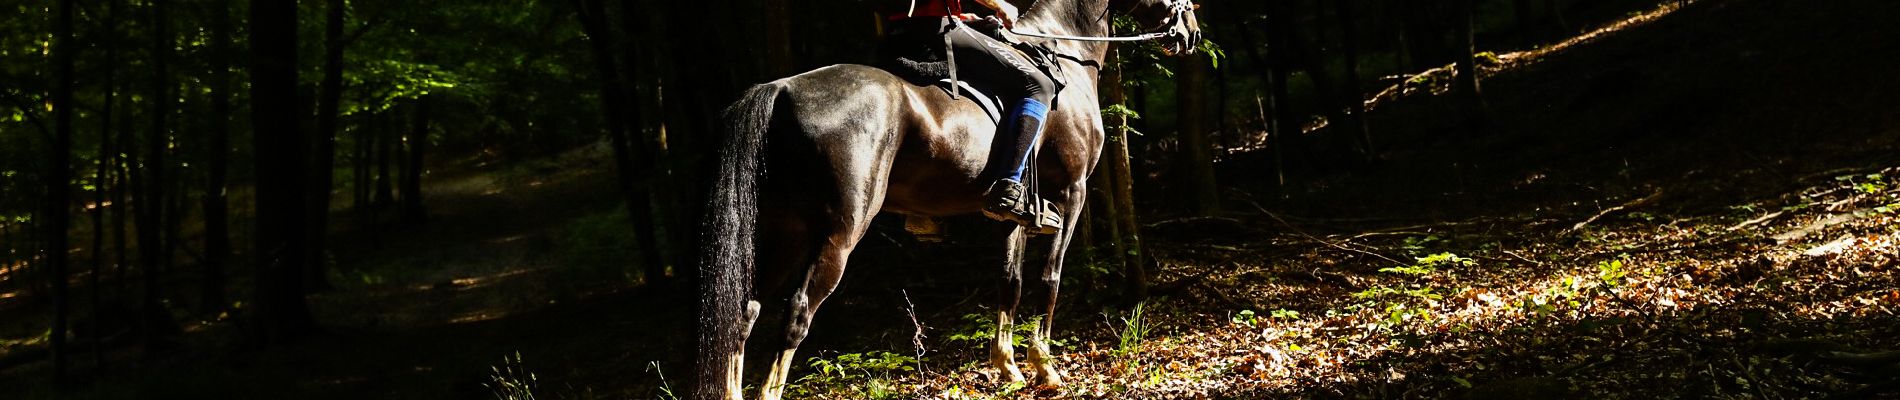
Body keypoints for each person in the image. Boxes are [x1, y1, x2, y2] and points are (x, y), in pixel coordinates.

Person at [882, 0, 1062, 233]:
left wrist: (964, 18)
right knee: (1039, 85)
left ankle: (918, 208)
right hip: (935, 31)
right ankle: (1009, 188)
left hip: (898, 35)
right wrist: (999, 4)